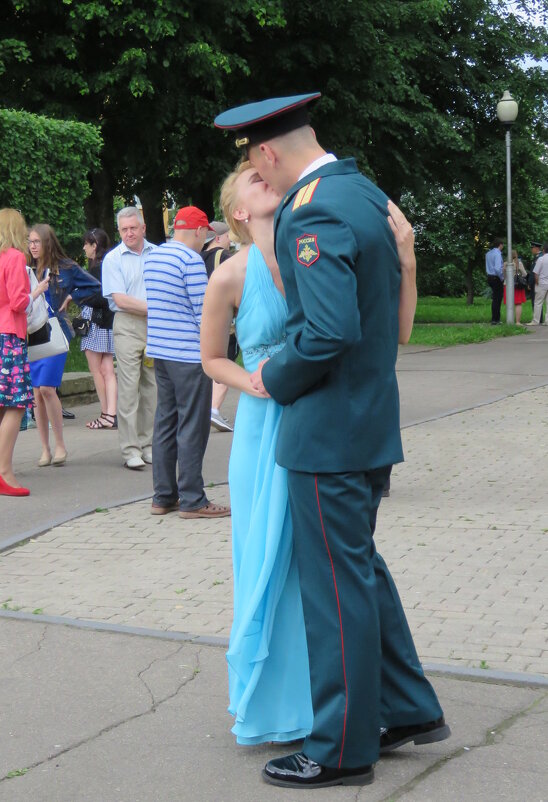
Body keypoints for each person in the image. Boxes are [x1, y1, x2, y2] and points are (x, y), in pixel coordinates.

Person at [215, 93, 449, 789]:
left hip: (327, 430)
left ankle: (341, 747)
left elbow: (326, 332)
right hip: (367, 420)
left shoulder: (311, 209)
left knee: (336, 589)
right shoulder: (360, 190)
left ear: (266, 152)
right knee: (361, 571)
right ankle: (407, 707)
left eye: (257, 164)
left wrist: (273, 377)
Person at [142, 206, 231, 520]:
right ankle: (193, 499)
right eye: (204, 236)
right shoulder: (190, 260)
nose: (204, 243)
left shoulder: (152, 256)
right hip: (189, 355)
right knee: (193, 426)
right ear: (198, 231)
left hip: (161, 351)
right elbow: (203, 312)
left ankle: (163, 496)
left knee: (165, 422)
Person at [0, 208, 49, 496]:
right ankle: (4, 470)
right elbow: (17, 302)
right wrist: (35, 293)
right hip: (7, 338)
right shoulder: (15, 257)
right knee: (16, 404)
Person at [28, 223, 105, 467]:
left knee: (47, 388)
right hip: (32, 333)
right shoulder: (28, 269)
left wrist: (73, 296)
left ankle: (60, 444)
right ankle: (44, 448)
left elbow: (95, 286)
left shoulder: (66, 267)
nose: (32, 246)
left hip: (56, 331)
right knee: (36, 393)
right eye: (30, 242)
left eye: (36, 242)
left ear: (47, 242)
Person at [102, 207, 157, 470]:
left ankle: (147, 445)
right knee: (128, 388)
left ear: (143, 228)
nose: (129, 233)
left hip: (155, 327)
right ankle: (130, 449)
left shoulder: (157, 254)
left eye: (133, 228)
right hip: (127, 325)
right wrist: (157, 308)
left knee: (152, 388)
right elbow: (120, 299)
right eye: (124, 229)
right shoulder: (113, 259)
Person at [80, 228, 118, 430]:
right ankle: (112, 413)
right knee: (108, 370)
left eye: (87, 244)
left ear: (94, 246)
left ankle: (106, 414)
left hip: (95, 322)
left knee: (97, 370)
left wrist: (78, 295)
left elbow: (98, 297)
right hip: (110, 322)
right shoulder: (110, 265)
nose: (84, 247)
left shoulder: (95, 270)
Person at [201, 220, 235, 433]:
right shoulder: (223, 258)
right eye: (229, 236)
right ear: (219, 237)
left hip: (202, 318)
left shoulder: (196, 257)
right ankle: (213, 409)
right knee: (226, 363)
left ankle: (205, 407)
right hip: (224, 319)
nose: (230, 241)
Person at [503, 249, 527, 325]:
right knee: (518, 304)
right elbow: (525, 274)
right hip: (517, 285)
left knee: (509, 304)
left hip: (507, 285)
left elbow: (504, 275)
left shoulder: (505, 264)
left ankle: (509, 321)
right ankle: (517, 322)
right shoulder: (518, 263)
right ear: (516, 255)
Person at [485, 237, 505, 325]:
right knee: (498, 299)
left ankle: (494, 318)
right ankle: (496, 319)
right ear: (500, 245)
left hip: (489, 277)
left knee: (495, 299)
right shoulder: (497, 254)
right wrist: (502, 277)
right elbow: (497, 268)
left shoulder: (488, 253)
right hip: (496, 278)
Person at [528, 242, 548, 325]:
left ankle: (535, 321)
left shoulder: (541, 259)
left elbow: (536, 273)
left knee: (538, 302)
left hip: (542, 283)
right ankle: (547, 321)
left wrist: (537, 283)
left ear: (543, 250)